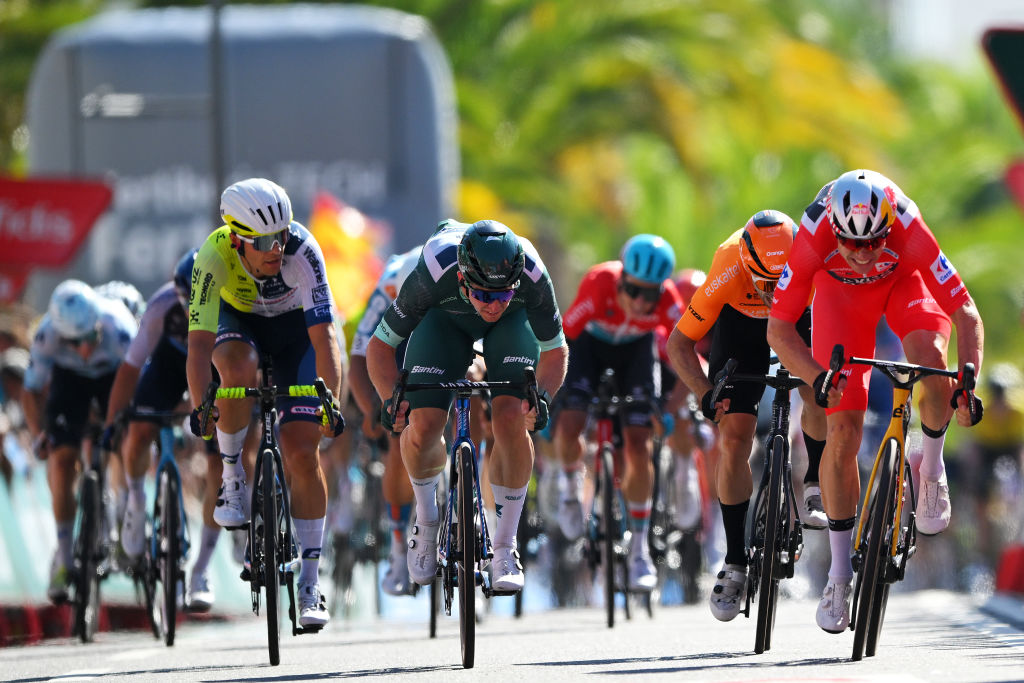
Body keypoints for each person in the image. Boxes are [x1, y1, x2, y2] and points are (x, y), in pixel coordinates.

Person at [766, 169, 984, 634]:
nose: (864, 254)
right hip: (840, 304)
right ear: (834, 230)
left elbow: (964, 311)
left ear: (888, 227)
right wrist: (817, 378)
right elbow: (779, 329)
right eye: (852, 244)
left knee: (931, 362)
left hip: (905, 285)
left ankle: (930, 467)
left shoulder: (910, 230)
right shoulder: (810, 237)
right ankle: (840, 576)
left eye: (874, 242)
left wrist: (967, 384)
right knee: (842, 430)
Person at [366, 219, 568, 593]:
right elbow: (378, 347)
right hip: (443, 323)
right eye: (483, 296)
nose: (493, 305)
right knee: (422, 423)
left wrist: (542, 399)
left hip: (512, 330)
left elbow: (556, 351)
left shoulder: (532, 275)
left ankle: (506, 548)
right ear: (462, 281)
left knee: (511, 416)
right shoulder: (433, 271)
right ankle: (426, 523)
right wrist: (388, 399)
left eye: (503, 294)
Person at [185, 178, 345, 628]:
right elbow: (198, 349)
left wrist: (328, 400)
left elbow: (324, 337)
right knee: (236, 369)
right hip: (242, 326)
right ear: (236, 238)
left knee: (301, 453)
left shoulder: (302, 251)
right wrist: (202, 408)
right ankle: (233, 477)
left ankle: (311, 584)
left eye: (282, 235)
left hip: (297, 335)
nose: (277, 248)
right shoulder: (213, 256)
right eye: (264, 241)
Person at [666, 209, 828, 622]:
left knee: (817, 390)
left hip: (801, 317)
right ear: (747, 262)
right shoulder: (728, 265)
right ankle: (735, 561)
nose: (775, 292)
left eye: (781, 282)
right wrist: (704, 393)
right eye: (766, 283)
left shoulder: (812, 256)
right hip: (741, 325)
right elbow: (679, 345)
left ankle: (813, 481)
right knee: (734, 438)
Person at [553, 234, 683, 593]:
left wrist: (669, 410)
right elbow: (562, 339)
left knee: (639, 444)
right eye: (633, 291)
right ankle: (568, 489)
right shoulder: (598, 283)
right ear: (620, 278)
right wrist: (549, 396)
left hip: (636, 354)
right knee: (571, 422)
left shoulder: (669, 301)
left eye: (650, 295)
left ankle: (639, 549)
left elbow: (685, 355)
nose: (641, 303)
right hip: (588, 350)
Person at [100, 249, 223, 611]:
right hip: (170, 364)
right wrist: (112, 423)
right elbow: (130, 369)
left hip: (216, 362)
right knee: (138, 430)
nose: (191, 305)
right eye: (185, 297)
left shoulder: (233, 301)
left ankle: (202, 567)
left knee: (221, 458)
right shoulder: (162, 305)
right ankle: (136, 501)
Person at [22, 279, 139, 603]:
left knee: (127, 437)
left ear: (98, 324)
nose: (85, 349)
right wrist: (38, 434)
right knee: (61, 460)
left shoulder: (119, 327)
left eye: (90, 337)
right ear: (61, 336)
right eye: (74, 343)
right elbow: (30, 390)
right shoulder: (47, 335)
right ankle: (62, 556)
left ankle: (123, 512)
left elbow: (141, 382)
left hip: (114, 378)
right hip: (69, 382)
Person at [348, 245, 420, 596]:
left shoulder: (458, 276)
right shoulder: (388, 287)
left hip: (447, 331)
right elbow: (361, 355)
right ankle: (396, 546)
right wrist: (370, 412)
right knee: (397, 432)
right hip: (394, 346)